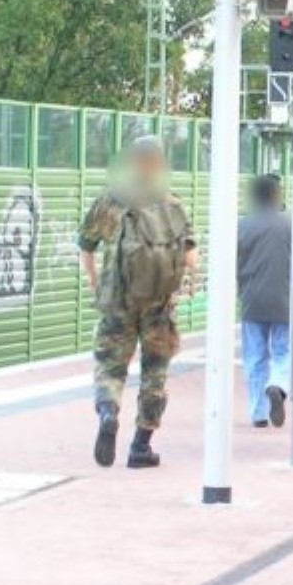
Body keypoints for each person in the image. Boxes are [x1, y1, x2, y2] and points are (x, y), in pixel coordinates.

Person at [79, 136, 197, 469]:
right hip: (159, 302)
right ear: (159, 164)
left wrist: (95, 282)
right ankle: (140, 447)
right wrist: (180, 284)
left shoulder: (112, 200)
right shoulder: (172, 203)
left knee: (110, 365)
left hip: (117, 299)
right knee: (155, 373)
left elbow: (85, 246)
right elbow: (191, 258)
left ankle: (108, 411)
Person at [237, 174, 292, 428]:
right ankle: (278, 385)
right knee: (284, 350)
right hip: (285, 299)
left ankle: (258, 413)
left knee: (255, 356)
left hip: (252, 299)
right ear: (276, 195)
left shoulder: (242, 225)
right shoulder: (291, 224)